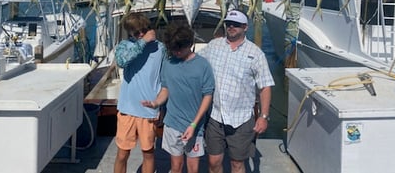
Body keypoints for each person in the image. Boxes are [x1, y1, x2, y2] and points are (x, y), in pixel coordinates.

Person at [199, 9, 275, 173]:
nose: (231, 27)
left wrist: (263, 116)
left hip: (241, 119)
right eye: (228, 24)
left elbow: (265, 86)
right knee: (213, 161)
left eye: (237, 25)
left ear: (245, 27)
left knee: (237, 164)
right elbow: (195, 62)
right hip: (215, 116)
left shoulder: (256, 54)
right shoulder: (214, 45)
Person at [142, 21, 215, 173]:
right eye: (173, 49)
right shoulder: (168, 63)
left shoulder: (203, 65)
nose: (176, 53)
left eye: (180, 49)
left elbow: (207, 96)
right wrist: (155, 103)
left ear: (190, 43)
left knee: (193, 168)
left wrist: (194, 125)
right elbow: (165, 89)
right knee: (176, 166)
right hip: (172, 124)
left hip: (195, 127)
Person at [113, 12, 167, 173]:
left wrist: (162, 108)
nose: (141, 34)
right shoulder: (125, 46)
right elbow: (122, 61)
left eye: (144, 30)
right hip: (127, 109)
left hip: (149, 110)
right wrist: (142, 42)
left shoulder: (160, 48)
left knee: (148, 153)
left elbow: (164, 78)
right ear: (130, 33)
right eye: (136, 33)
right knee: (122, 154)